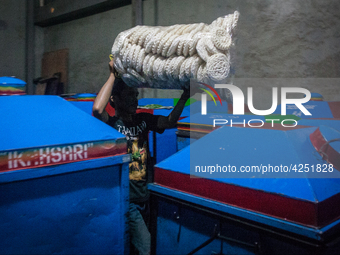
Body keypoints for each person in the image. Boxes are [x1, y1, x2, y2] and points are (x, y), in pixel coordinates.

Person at [92, 60, 192, 255]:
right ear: (115, 99)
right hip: (128, 200)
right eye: (129, 95)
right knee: (145, 248)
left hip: (145, 196)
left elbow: (170, 122)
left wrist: (185, 97)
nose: (134, 99)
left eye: (136, 95)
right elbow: (96, 110)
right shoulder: (112, 125)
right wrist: (113, 75)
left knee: (138, 247)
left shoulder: (143, 120)